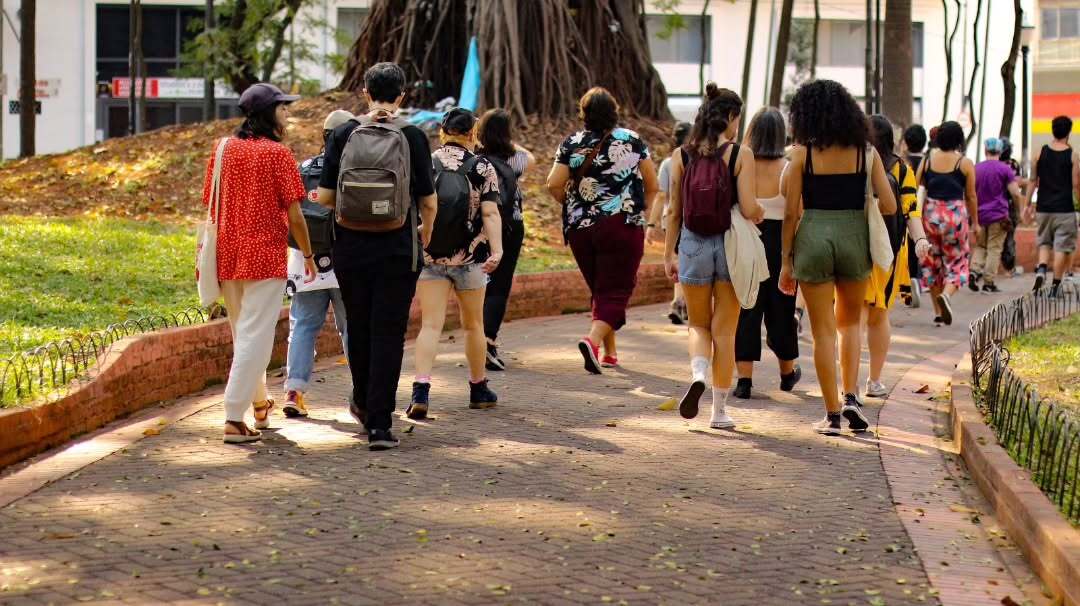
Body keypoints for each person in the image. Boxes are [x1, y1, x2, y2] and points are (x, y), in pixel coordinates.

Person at [315, 62, 438, 451]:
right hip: (398, 250)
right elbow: (429, 201)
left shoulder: (343, 133)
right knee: (388, 332)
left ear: (365, 93)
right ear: (401, 95)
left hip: (350, 249)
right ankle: (381, 426)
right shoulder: (413, 136)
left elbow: (325, 197)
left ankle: (364, 404)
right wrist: (425, 235)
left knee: (359, 327)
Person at [778, 79, 897, 435]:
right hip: (854, 238)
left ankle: (831, 416)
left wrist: (786, 261)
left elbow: (790, 212)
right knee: (849, 324)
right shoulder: (866, 152)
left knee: (823, 332)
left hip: (813, 237)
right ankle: (851, 397)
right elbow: (890, 205)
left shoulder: (802, 155)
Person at [203, 82, 317, 444]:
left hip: (228, 254)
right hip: (265, 256)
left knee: (245, 335)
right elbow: (295, 215)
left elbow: (210, 200)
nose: (286, 114)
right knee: (255, 337)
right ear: (268, 114)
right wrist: (308, 255)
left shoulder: (223, 148)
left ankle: (259, 405)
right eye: (282, 108)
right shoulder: (278, 155)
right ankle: (233, 417)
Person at [663, 84, 765, 428]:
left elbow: (674, 211)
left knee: (698, 324)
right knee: (725, 331)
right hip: (730, 244)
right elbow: (748, 207)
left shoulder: (681, 155)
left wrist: (669, 254)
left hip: (693, 243)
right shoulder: (740, 155)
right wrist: (760, 211)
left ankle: (698, 373)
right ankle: (719, 412)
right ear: (732, 116)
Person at [547, 87, 659, 374]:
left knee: (601, 289)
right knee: (617, 289)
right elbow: (653, 183)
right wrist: (639, 210)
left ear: (583, 113)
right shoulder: (631, 140)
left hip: (580, 230)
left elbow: (553, 183)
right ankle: (592, 340)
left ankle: (609, 353)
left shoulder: (572, 142)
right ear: (614, 112)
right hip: (622, 224)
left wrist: (574, 205)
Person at [407, 108, 503, 419]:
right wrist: (497, 250)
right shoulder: (483, 166)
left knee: (430, 325)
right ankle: (478, 389)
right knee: (473, 325)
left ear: (443, 131)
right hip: (471, 259)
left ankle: (421, 390)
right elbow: (490, 212)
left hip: (430, 254)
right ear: (472, 133)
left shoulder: (427, 162)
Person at [281, 110, 356, 418]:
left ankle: (294, 391)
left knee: (302, 326)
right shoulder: (352, 170)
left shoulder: (303, 168)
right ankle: (363, 391)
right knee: (353, 328)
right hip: (345, 261)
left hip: (305, 261)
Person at [732, 107, 800, 400]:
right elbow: (796, 213)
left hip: (746, 242)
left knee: (746, 309)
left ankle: (744, 380)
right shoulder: (788, 168)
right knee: (782, 310)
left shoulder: (741, 164)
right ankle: (787, 373)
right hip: (780, 245)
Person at [862, 115, 931, 398]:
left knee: (852, 318)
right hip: (888, 251)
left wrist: (921, 239)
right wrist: (920, 239)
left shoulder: (854, 162)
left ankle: (848, 387)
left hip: (856, 246)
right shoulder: (902, 170)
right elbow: (911, 210)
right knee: (878, 316)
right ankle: (873, 381)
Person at [477, 109, 535, 371]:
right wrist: (509, 141)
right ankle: (488, 341)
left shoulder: (475, 159)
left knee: (478, 283)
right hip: (510, 226)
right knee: (499, 286)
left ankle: (476, 341)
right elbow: (531, 159)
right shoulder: (515, 160)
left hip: (478, 228)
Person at [916, 121, 978, 325]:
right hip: (955, 217)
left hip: (930, 216)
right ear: (959, 140)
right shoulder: (964, 163)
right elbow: (971, 196)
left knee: (932, 262)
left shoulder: (927, 161)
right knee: (958, 261)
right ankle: (947, 295)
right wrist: (975, 223)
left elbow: (916, 187)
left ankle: (937, 312)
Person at [1025, 115, 1080, 297]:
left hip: (1043, 208)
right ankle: (1055, 288)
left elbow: (1033, 181)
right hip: (1064, 209)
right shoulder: (1072, 155)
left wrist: (1027, 204)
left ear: (1053, 131)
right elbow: (1076, 184)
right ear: (1068, 132)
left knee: (1044, 242)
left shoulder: (1039, 153)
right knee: (1061, 248)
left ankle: (1041, 269)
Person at [648, 121, 693, 325]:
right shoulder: (699, 160)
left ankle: (679, 303)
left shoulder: (668, 162)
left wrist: (651, 224)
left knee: (678, 259)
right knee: (687, 260)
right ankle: (681, 303)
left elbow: (661, 196)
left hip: (671, 219)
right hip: (692, 217)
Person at [969, 138, 1023, 293]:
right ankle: (988, 282)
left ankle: (974, 271)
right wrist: (1018, 212)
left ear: (985, 150)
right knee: (994, 248)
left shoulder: (976, 168)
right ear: (999, 151)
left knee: (980, 246)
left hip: (980, 215)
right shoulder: (1005, 169)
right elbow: (1015, 193)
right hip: (999, 215)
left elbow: (969, 193)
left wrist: (972, 217)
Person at [900, 124, 928, 307]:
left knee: (906, 247)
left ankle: (909, 281)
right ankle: (917, 278)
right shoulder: (928, 162)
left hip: (905, 209)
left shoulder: (901, 162)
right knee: (920, 245)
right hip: (925, 210)